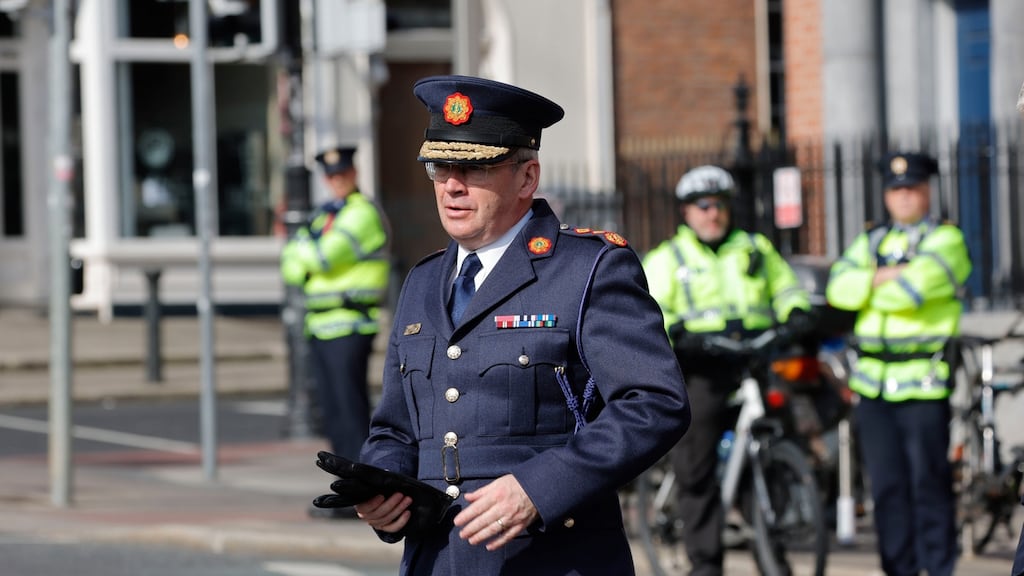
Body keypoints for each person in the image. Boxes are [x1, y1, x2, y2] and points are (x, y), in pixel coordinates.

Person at [339, 75, 691, 575]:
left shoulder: (586, 268)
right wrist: (385, 487)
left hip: (551, 560)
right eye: (441, 166)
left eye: (474, 168)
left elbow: (655, 404)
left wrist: (539, 488)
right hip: (438, 561)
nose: (452, 185)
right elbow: (397, 427)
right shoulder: (422, 281)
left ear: (527, 178)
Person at [641, 164, 813, 576]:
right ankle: (706, 566)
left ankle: (774, 553)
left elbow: (787, 288)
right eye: (702, 206)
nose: (712, 214)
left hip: (753, 359)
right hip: (700, 369)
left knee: (778, 444)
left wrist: (795, 315)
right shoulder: (669, 258)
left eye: (719, 205)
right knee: (696, 469)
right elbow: (651, 311)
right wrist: (679, 333)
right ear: (686, 212)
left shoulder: (755, 248)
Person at [826, 151, 972, 576]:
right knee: (887, 490)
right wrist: (886, 276)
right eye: (896, 191)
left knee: (929, 485)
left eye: (912, 189)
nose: (904, 198)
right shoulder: (873, 241)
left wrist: (872, 282)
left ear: (927, 191)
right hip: (873, 386)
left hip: (924, 382)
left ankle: (938, 569)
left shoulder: (947, 239)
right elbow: (839, 290)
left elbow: (910, 293)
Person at [280, 145, 390, 478]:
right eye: (330, 176)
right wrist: (303, 254)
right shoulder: (326, 214)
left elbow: (322, 258)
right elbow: (289, 267)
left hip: (351, 325)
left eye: (341, 174)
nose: (336, 181)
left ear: (354, 173)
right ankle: (348, 486)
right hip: (321, 326)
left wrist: (304, 251)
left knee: (351, 412)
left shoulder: (362, 213)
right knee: (332, 414)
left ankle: (364, 486)